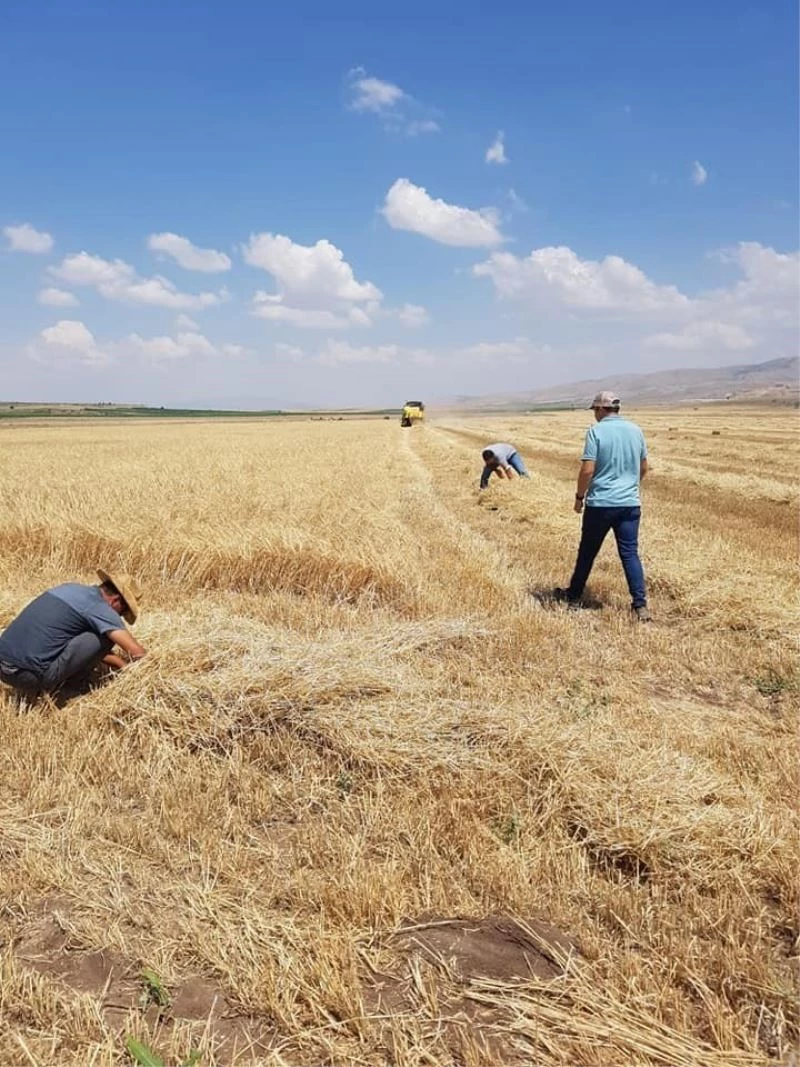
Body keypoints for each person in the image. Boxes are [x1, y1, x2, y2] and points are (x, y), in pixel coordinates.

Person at [555, 392, 651, 621]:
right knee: (629, 553)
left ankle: (573, 595)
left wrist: (579, 497)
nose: (594, 415)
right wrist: (629, 486)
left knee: (587, 551)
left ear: (599, 409)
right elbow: (644, 467)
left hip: (601, 504)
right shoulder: (636, 430)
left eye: (594, 410)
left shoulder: (596, 431)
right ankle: (640, 605)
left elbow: (587, 470)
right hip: (630, 503)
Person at [0, 569, 146, 700]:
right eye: (123, 612)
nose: (119, 616)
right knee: (105, 637)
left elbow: (85, 650)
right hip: (28, 676)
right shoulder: (100, 608)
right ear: (116, 600)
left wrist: (123, 666)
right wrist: (145, 672)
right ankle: (68, 689)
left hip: (3, 666)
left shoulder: (69, 588)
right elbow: (138, 653)